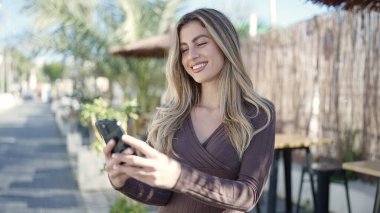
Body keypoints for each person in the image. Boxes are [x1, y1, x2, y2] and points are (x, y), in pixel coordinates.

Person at [104, 8, 276, 213]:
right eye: (184, 49)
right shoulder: (170, 115)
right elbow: (162, 194)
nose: (191, 56)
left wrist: (179, 176)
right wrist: (123, 181)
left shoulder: (258, 114)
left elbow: (247, 195)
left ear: (225, 44)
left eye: (201, 43)